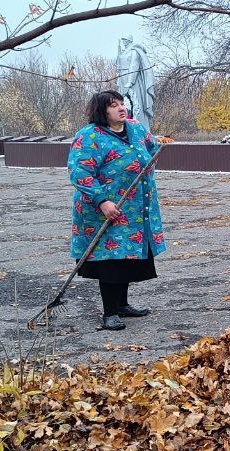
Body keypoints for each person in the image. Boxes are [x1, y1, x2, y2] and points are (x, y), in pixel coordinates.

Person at [68, 89, 166, 331]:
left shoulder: (136, 129)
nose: (121, 108)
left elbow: (152, 150)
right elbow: (80, 172)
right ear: (102, 111)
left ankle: (122, 305)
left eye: (122, 103)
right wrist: (103, 201)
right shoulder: (89, 137)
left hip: (134, 208)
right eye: (114, 105)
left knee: (128, 256)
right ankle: (109, 313)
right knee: (110, 260)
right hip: (103, 209)